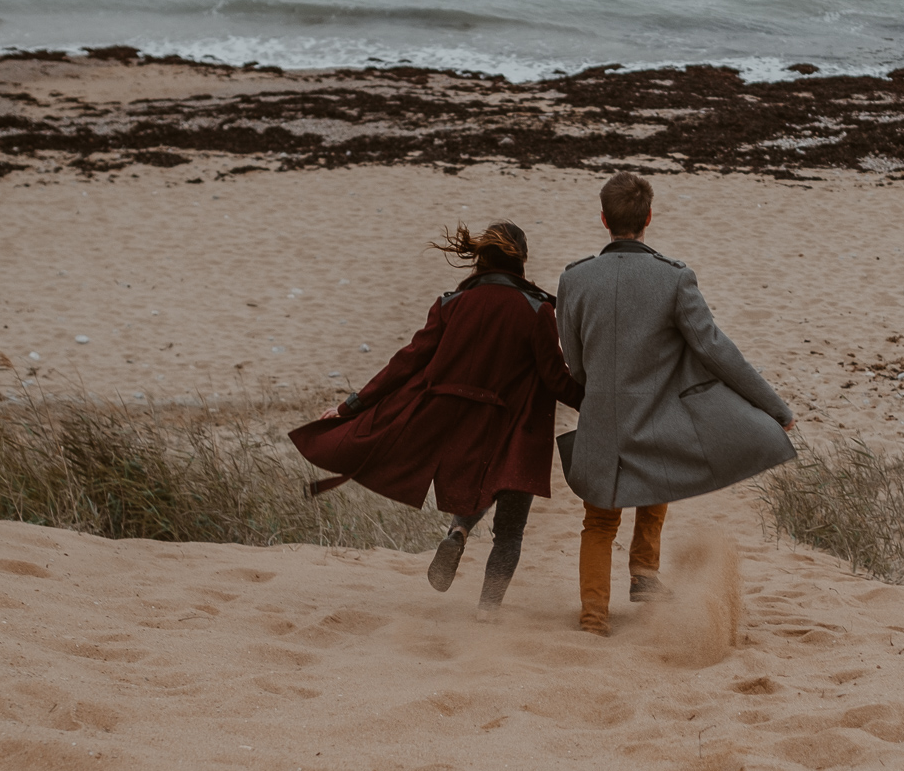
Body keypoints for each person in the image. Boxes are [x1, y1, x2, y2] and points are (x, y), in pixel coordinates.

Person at [289, 222, 584, 619]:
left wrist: (350, 407)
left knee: (480, 484)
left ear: (480, 260)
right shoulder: (537, 311)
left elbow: (405, 363)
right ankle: (487, 610)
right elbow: (554, 379)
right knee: (510, 530)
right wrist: (599, 404)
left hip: (459, 426)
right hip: (516, 429)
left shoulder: (450, 305)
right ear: (522, 263)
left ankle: (459, 531)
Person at [556, 172, 796, 635]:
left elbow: (574, 359)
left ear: (604, 219)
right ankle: (643, 574)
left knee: (599, 521)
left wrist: (598, 391)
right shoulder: (674, 277)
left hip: (601, 415)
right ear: (648, 217)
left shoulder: (575, 278)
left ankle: (595, 616)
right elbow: (715, 349)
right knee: (659, 473)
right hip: (653, 415)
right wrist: (774, 408)